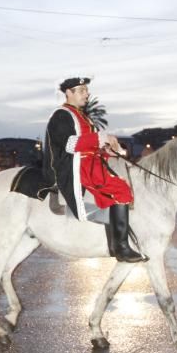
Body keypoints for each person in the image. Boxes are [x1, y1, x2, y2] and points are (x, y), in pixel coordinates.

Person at [42, 76, 146, 263]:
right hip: (76, 166)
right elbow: (69, 144)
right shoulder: (61, 115)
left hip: (91, 162)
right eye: (81, 91)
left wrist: (111, 150)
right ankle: (121, 247)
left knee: (122, 180)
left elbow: (92, 146)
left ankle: (117, 240)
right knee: (120, 190)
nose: (87, 94)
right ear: (68, 93)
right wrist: (100, 137)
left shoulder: (83, 116)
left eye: (86, 91)